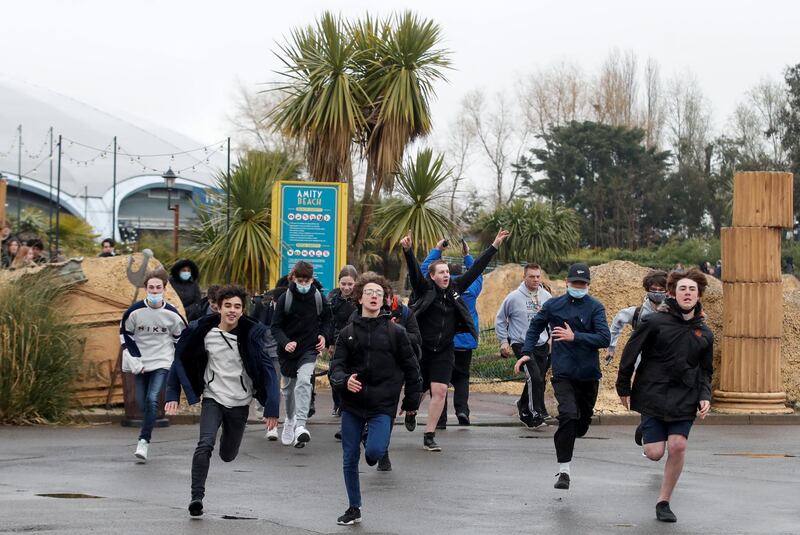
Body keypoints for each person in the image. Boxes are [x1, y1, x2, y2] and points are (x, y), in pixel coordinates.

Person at [165, 284, 280, 517]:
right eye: (228, 305)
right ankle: (196, 497)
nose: (232, 310)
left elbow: (268, 370)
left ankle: (227, 446)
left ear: (242, 309)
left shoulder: (252, 334)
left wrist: (272, 407)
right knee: (205, 443)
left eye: (237, 306)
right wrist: (171, 394)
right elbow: (180, 359)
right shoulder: (202, 332)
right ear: (218, 307)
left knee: (228, 454)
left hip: (239, 402)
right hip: (213, 397)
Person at [616, 268, 713, 523]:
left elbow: (705, 370)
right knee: (655, 452)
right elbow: (629, 353)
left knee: (678, 445)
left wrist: (705, 395)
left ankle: (663, 502)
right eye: (682, 288)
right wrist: (623, 386)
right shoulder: (654, 322)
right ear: (673, 293)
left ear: (699, 294)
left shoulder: (704, 332)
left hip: (685, 396)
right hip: (654, 394)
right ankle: (645, 431)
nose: (688, 293)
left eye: (692, 289)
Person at [401, 228, 510, 452]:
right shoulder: (423, 289)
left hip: (444, 350)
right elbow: (414, 272)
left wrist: (495, 245)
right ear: (432, 276)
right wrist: (408, 251)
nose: (445, 275)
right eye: (440, 272)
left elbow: (477, 269)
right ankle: (411, 411)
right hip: (421, 350)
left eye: (447, 272)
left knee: (440, 390)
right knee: (416, 392)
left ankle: (429, 435)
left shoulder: (456, 289)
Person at [329, 273, 422, 526]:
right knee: (349, 457)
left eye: (378, 293)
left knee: (373, 453)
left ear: (385, 301)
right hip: (353, 404)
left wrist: (411, 403)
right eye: (369, 292)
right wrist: (344, 380)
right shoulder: (347, 333)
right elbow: (335, 367)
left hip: (383, 405)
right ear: (359, 298)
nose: (373, 296)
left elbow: (413, 369)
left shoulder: (396, 333)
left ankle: (371, 441)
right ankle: (353, 507)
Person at [515, 262, 610, 490]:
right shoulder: (554, 305)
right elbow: (535, 327)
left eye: (583, 283)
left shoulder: (595, 307)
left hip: (588, 375)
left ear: (588, 285)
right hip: (563, 373)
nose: (579, 286)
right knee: (567, 415)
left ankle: (573, 432)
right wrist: (527, 352)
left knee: (581, 424)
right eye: (575, 283)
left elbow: (604, 338)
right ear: (567, 283)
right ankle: (564, 471)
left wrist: (575, 336)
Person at [120, 269, 186, 462]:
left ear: (164, 289)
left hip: (163, 362)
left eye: (158, 288)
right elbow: (125, 335)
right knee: (142, 403)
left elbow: (181, 338)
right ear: (145, 289)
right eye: (151, 288)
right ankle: (147, 425)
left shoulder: (172, 314)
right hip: (140, 363)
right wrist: (134, 358)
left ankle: (144, 441)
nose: (155, 291)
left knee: (152, 399)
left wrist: (177, 363)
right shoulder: (134, 312)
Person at [420, 239, 483, 428]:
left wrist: (438, 250)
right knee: (462, 377)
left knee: (439, 380)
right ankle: (462, 410)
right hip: (465, 342)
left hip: (443, 342)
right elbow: (478, 274)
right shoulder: (471, 289)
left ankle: (440, 418)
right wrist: (467, 256)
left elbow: (425, 270)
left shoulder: (441, 289)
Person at [271, 261, 333, 448]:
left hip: (309, 349)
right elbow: (275, 326)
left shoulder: (318, 297)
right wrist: (285, 342)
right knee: (289, 390)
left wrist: (324, 336)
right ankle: (290, 420)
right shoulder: (285, 298)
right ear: (293, 278)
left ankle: (300, 425)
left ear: (312, 279)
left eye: (307, 280)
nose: (304, 284)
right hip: (288, 352)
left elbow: (327, 320)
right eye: (300, 280)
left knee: (305, 380)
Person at [497, 262, 552, 429]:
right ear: (524, 277)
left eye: (538, 276)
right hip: (520, 343)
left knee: (538, 379)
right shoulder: (513, 297)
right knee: (534, 377)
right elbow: (500, 319)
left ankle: (523, 404)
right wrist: (504, 341)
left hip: (542, 343)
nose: (535, 280)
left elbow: (553, 319)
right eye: (531, 276)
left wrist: (551, 338)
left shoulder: (546, 297)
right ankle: (534, 413)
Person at [607, 270, 667, 364]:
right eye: (653, 289)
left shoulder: (674, 312)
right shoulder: (638, 313)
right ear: (647, 289)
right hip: (643, 367)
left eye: (661, 290)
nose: (657, 293)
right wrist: (611, 347)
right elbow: (618, 320)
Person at [328, 265, 359, 416]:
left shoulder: (360, 299)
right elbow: (330, 322)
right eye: (343, 284)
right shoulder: (332, 300)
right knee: (334, 373)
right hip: (338, 340)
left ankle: (347, 405)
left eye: (350, 284)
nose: (346, 288)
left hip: (356, 340)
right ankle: (338, 403)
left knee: (352, 373)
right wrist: (330, 343)